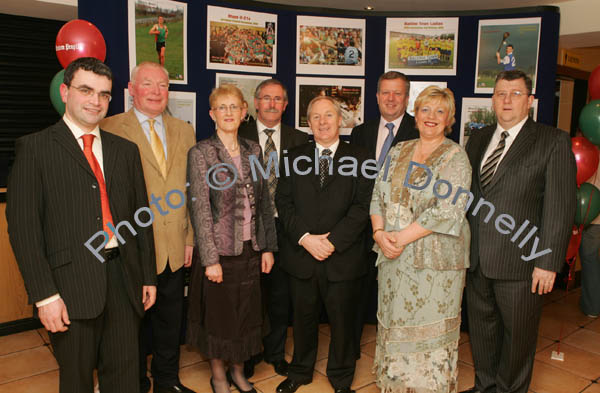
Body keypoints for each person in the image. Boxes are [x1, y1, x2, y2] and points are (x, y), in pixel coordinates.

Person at [6, 57, 156, 393]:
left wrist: (147, 275)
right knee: (76, 380)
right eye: (86, 90)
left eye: (104, 94)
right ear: (65, 91)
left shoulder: (125, 151)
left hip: (124, 279)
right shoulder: (35, 148)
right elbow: (24, 229)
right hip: (69, 286)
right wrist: (45, 296)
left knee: (125, 375)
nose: (96, 101)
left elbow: (140, 217)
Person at [462, 70, 576, 393]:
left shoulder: (552, 141)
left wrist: (549, 262)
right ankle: (485, 386)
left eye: (515, 93)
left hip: (523, 264)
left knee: (518, 339)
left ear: (531, 100)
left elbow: (561, 207)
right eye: (500, 94)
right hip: (478, 259)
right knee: (482, 332)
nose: (507, 100)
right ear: (493, 100)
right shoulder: (479, 138)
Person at [100, 62, 196, 393]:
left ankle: (168, 381)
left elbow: (191, 189)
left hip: (174, 245)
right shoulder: (109, 128)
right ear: (131, 89)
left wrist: (191, 238)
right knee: (134, 324)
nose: (156, 91)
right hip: (133, 246)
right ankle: (136, 383)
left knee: (171, 321)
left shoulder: (184, 130)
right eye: (148, 84)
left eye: (162, 85)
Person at [370, 86, 471, 393]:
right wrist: (378, 233)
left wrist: (399, 237)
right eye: (426, 110)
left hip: (436, 262)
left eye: (440, 111)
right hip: (393, 257)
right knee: (394, 321)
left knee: (429, 329)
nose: (431, 117)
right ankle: (395, 385)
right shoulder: (399, 150)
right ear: (415, 114)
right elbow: (377, 195)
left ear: (449, 119)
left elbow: (448, 211)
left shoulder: (456, 156)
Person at [275, 96, 373, 393]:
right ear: (308, 122)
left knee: (343, 324)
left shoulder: (361, 157)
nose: (322, 122)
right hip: (302, 256)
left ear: (340, 119)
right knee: (302, 320)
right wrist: (305, 239)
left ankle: (341, 378)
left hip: (342, 256)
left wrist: (331, 242)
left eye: (328, 115)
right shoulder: (293, 157)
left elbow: (362, 206)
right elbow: (284, 202)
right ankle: (300, 372)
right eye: (315, 116)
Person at [186, 84, 277, 393]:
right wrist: (210, 260)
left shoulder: (254, 150)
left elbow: (264, 203)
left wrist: (267, 247)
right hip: (220, 255)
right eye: (221, 107)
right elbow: (199, 210)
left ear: (243, 112)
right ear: (212, 114)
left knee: (245, 318)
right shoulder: (201, 153)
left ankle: (238, 373)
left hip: (251, 251)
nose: (228, 113)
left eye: (233, 107)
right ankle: (219, 377)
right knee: (220, 321)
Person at [239, 79, 309, 378]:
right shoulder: (236, 135)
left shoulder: (300, 140)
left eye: (278, 99)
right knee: (249, 295)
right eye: (266, 98)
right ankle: (249, 354)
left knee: (281, 295)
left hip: (286, 227)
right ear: (255, 103)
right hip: (247, 228)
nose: (271, 104)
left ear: (286, 104)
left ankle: (276, 352)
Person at [350, 71, 418, 357]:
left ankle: (396, 353)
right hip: (362, 228)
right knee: (357, 293)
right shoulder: (360, 133)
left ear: (407, 97)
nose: (391, 99)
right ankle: (350, 350)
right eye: (385, 93)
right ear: (376, 97)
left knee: (399, 298)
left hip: (404, 232)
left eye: (397, 93)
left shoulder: (421, 130)